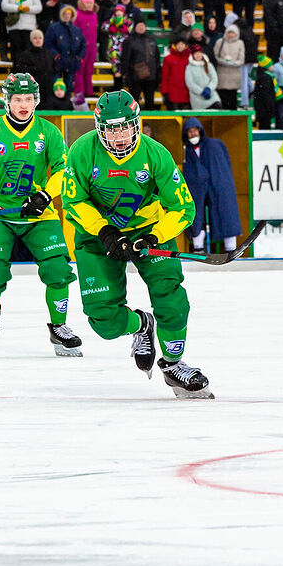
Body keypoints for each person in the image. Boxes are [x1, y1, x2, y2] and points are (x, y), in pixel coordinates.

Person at [61, 90, 209, 398]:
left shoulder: (156, 155)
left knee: (171, 298)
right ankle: (141, 324)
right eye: (110, 129)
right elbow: (73, 201)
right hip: (97, 234)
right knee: (104, 320)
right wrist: (104, 231)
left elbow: (184, 208)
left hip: (148, 230)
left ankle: (173, 364)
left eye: (124, 128)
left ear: (137, 124)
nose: (118, 137)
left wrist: (154, 236)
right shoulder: (82, 150)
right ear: (99, 129)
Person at [0, 73, 80, 354]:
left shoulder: (48, 132)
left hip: (38, 213)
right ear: (7, 101)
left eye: (28, 99)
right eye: (17, 99)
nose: (24, 105)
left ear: (36, 100)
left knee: (57, 268)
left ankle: (59, 327)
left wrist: (45, 196)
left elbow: (63, 170)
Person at [182, 118, 241, 253]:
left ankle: (231, 249)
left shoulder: (214, 145)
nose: (193, 134)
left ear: (200, 130)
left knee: (225, 214)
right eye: (189, 132)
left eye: (195, 130)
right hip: (196, 188)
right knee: (195, 215)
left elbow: (223, 167)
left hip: (218, 185)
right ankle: (198, 247)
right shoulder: (186, 151)